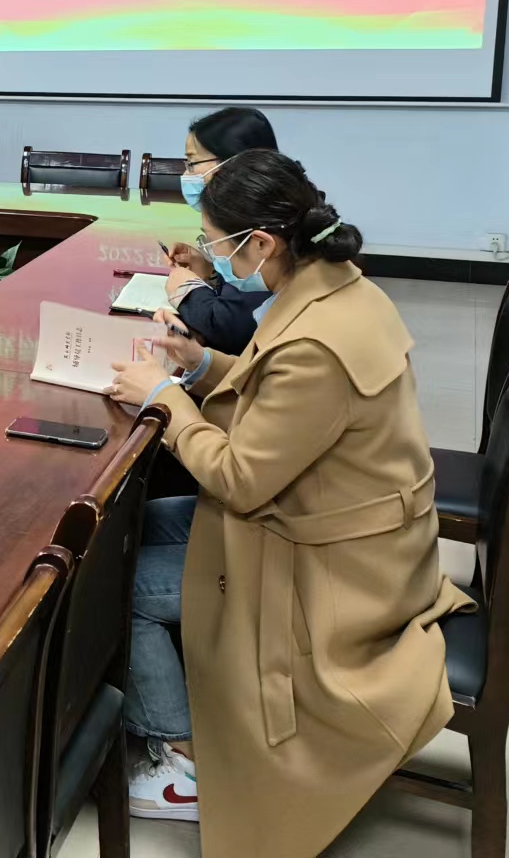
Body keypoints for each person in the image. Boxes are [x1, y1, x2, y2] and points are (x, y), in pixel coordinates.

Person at [109, 149, 469, 857]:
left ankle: (184, 760)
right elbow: (280, 399)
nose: (212, 257)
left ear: (263, 244)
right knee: (130, 528)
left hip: (333, 567)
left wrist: (167, 402)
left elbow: (241, 477)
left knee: (116, 584)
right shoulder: (337, 289)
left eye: (216, 243)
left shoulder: (314, 340)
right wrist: (200, 366)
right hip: (340, 523)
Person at [161, 106, 279, 356]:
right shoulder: (273, 199)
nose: (186, 173)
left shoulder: (260, 218)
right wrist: (211, 271)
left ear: (231, 162)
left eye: (192, 163)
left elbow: (230, 328)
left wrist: (188, 292)